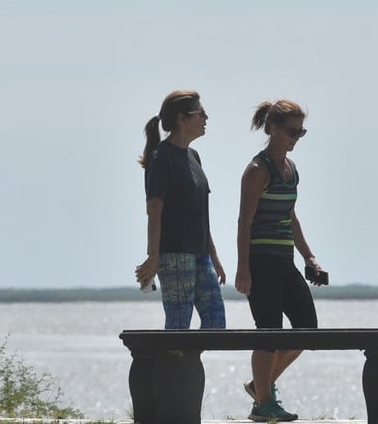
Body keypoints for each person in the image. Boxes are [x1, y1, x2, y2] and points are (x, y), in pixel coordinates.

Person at [234, 99, 326, 422]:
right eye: (292, 131)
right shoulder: (258, 170)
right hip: (260, 262)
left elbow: (291, 217)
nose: (296, 138)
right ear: (273, 128)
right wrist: (243, 268)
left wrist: (309, 256)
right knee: (268, 332)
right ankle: (263, 405)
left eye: (302, 132)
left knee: (306, 329)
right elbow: (244, 222)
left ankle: (260, 387)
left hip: (284, 261)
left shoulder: (291, 169)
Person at [135, 89, 226, 329]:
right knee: (178, 324)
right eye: (201, 113)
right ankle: (171, 366)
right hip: (173, 255)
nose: (206, 118)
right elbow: (154, 211)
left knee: (216, 323)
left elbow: (200, 212)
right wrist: (153, 256)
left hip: (200, 254)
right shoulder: (161, 157)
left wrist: (214, 256)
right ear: (182, 118)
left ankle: (187, 365)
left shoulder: (194, 156)